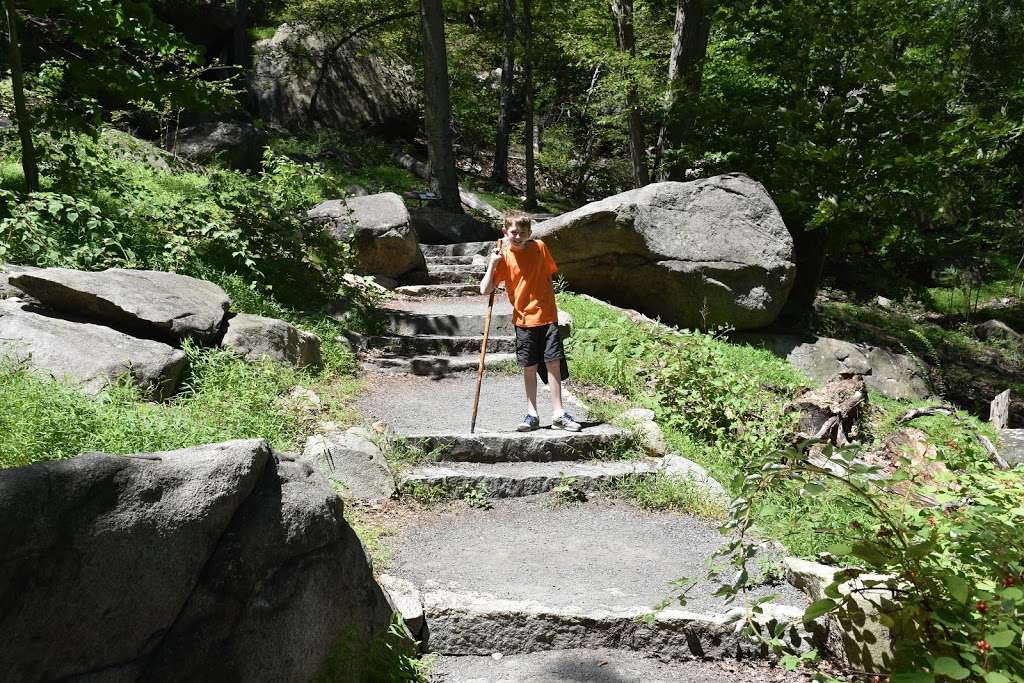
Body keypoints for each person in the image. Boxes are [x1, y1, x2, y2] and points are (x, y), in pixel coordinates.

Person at [480, 210, 582, 432]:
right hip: (524, 320)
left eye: (523, 232)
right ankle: (532, 413)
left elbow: (548, 274)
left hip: (547, 316)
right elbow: (484, 289)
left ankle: (558, 413)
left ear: (529, 233)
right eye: (514, 232)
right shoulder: (503, 257)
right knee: (529, 366)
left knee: (553, 362)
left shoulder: (540, 247)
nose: (518, 236)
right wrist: (492, 263)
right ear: (505, 232)